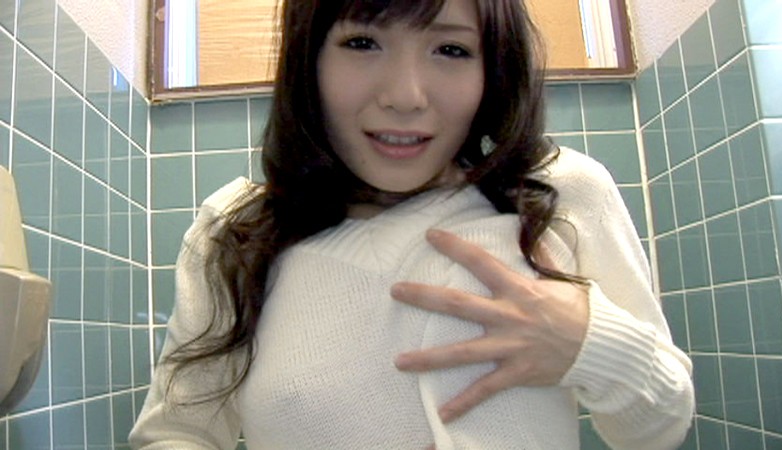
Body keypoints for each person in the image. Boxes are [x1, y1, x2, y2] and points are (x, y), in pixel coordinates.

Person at [130, 0, 694, 448]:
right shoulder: (234, 234)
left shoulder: (561, 195)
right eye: (362, 42)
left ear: (492, 67)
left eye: (451, 48)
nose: (405, 97)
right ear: (309, 57)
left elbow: (659, 430)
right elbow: (178, 432)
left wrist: (589, 344)